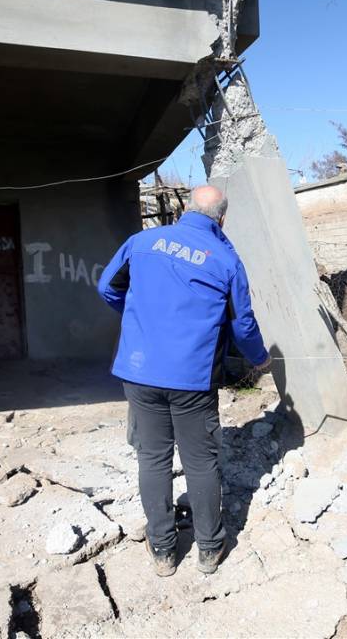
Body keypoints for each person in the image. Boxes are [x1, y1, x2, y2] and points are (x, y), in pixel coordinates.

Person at [97, 184, 270, 577]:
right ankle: (209, 549)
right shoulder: (226, 259)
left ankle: (162, 550)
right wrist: (260, 359)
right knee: (200, 461)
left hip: (140, 372)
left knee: (152, 458)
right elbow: (242, 324)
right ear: (222, 218)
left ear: (185, 209)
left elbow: (107, 288)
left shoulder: (142, 242)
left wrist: (141, 318)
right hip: (192, 378)